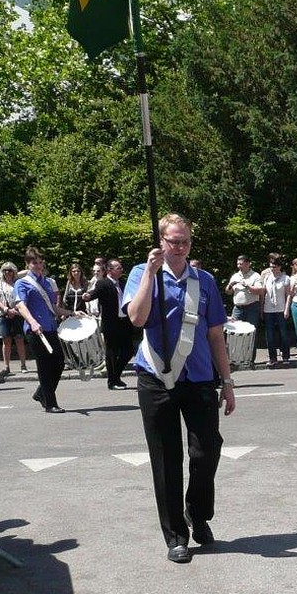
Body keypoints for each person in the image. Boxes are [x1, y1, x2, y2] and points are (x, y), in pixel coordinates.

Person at [125, 213, 235, 564]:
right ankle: (175, 536)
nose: (180, 247)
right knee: (166, 458)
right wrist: (150, 273)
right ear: (161, 241)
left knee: (207, 451)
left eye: (185, 241)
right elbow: (136, 318)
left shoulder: (205, 281)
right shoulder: (141, 274)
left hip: (199, 376)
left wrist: (227, 382)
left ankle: (197, 513)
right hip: (155, 379)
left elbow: (215, 334)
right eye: (173, 241)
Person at [14, 246, 66, 413]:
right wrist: (33, 322)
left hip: (50, 328)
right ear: (27, 264)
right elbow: (21, 305)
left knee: (59, 362)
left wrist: (71, 313)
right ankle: (50, 403)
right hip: (36, 330)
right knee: (44, 366)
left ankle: (41, 393)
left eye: (40, 262)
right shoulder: (22, 283)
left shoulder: (47, 282)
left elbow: (53, 307)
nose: (38, 266)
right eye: (34, 263)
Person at [84, 258, 134, 389]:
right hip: (111, 323)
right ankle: (112, 382)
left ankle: (116, 376)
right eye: (118, 268)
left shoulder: (122, 283)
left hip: (124, 322)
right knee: (112, 352)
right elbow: (94, 293)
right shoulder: (103, 283)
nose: (121, 270)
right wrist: (88, 296)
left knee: (129, 351)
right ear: (109, 270)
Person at [0, 262, 29, 374]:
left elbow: (28, 272)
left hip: (17, 314)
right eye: (5, 270)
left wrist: (15, 310)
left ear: (14, 272)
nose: (7, 272)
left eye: (10, 270)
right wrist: (6, 309)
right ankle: (6, 366)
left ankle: (23, 365)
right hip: (3, 315)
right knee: (6, 340)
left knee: (19, 339)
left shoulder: (18, 283)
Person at [260, 253, 292, 367]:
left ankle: (285, 356)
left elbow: (288, 295)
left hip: (281, 308)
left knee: (283, 333)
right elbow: (263, 294)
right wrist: (261, 309)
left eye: (274, 267)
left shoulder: (285, 278)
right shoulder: (267, 278)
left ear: (279, 267)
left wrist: (287, 309)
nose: (272, 269)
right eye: (270, 267)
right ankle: (272, 358)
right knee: (270, 334)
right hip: (268, 309)